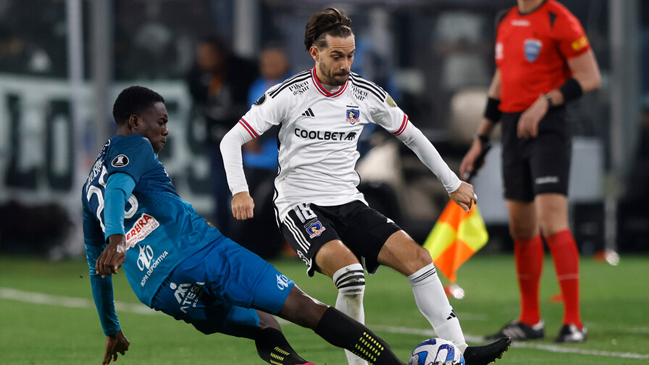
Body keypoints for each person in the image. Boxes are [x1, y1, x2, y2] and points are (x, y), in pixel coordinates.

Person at [220, 8, 511, 365]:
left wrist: (452, 184)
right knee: (351, 276)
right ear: (315, 52)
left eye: (351, 55)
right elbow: (231, 140)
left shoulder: (365, 94)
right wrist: (240, 189)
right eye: (337, 56)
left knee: (419, 259)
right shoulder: (289, 94)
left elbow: (413, 137)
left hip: (349, 203)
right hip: (300, 205)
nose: (345, 64)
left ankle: (461, 352)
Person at [83, 86, 411, 365]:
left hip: (156, 288)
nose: (165, 131)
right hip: (198, 250)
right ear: (135, 122)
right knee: (305, 308)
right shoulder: (135, 146)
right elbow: (117, 191)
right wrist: (118, 240)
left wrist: (111, 327)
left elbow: (94, 262)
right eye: (161, 122)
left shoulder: (87, 191)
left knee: (261, 323)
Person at [459, 0, 601, 343]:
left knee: (552, 221)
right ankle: (530, 320)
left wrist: (545, 102)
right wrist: (481, 138)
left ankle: (573, 322)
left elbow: (589, 77)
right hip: (511, 127)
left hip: (548, 127)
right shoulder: (505, 19)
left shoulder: (560, 19)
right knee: (521, 227)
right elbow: (500, 82)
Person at [186, 35, 258, 237]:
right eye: (202, 56)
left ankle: (249, 236)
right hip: (215, 142)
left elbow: (254, 102)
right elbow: (199, 102)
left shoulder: (243, 71)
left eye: (210, 55)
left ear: (222, 55)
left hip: (245, 140)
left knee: (249, 188)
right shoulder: (196, 75)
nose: (205, 60)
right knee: (219, 189)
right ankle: (225, 236)